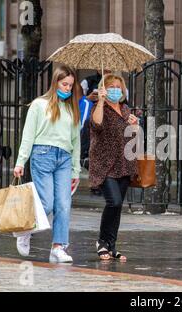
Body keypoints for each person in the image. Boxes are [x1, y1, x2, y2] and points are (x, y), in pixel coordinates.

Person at [13, 65, 81, 263]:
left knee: (63, 204)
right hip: (42, 154)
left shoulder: (72, 107)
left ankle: (58, 247)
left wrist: (76, 169)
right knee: (46, 202)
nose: (68, 88)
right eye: (64, 84)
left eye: (70, 85)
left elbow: (75, 141)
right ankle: (24, 230)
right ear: (56, 82)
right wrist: (20, 161)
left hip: (65, 159)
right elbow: (28, 134)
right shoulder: (39, 104)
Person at [89, 74, 139, 261]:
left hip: (124, 164)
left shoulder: (126, 109)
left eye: (118, 86)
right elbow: (97, 124)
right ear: (104, 89)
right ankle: (102, 242)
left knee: (118, 207)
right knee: (114, 202)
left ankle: (111, 246)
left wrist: (135, 126)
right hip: (104, 164)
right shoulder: (98, 108)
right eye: (111, 86)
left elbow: (133, 139)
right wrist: (101, 101)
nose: (115, 90)